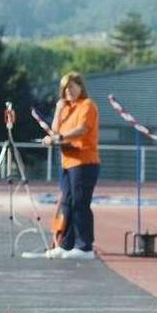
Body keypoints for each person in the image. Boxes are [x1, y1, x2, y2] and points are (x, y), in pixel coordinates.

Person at [40, 72, 100, 260]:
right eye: (65, 88)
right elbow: (56, 130)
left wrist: (60, 138)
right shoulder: (66, 108)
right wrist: (58, 110)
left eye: (72, 87)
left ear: (81, 87)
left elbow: (82, 130)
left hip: (84, 162)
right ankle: (66, 244)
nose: (69, 91)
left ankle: (85, 246)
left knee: (80, 203)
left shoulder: (87, 106)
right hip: (67, 162)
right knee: (67, 203)